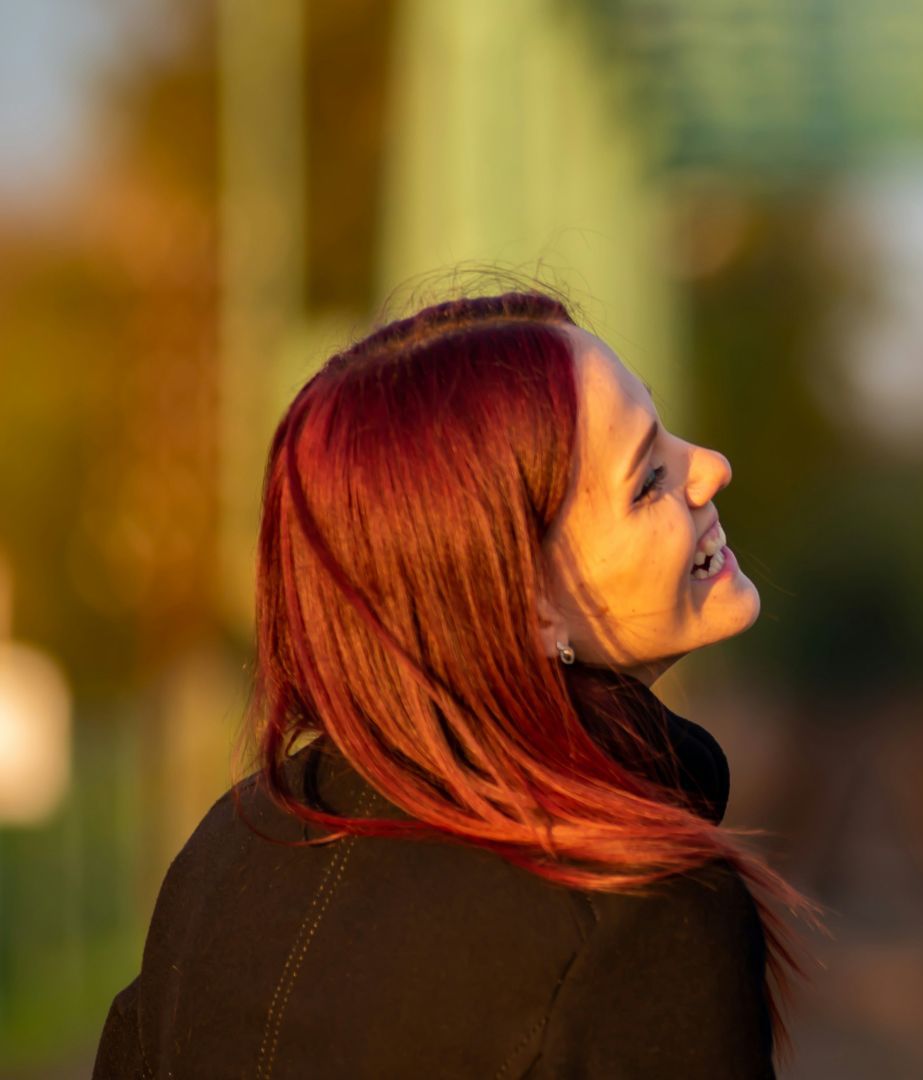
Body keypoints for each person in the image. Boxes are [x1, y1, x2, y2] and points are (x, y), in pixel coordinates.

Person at [95, 292, 805, 1078]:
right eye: (647, 481)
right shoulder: (640, 916)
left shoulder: (222, 859)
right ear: (522, 604)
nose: (711, 466)